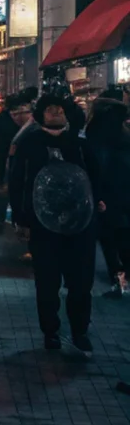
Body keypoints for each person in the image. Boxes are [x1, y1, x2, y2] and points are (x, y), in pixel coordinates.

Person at [7, 93, 102, 355]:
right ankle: (51, 331)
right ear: (40, 114)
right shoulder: (29, 143)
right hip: (42, 225)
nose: (56, 112)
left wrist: (99, 202)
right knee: (47, 283)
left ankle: (80, 331)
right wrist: (20, 216)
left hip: (80, 225)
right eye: (50, 109)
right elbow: (17, 181)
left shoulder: (80, 145)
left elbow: (95, 176)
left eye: (60, 109)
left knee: (81, 283)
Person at [85, 91, 130, 298]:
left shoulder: (96, 137)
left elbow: (98, 168)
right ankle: (123, 281)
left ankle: (118, 281)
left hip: (107, 198)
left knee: (110, 241)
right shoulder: (124, 135)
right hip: (122, 198)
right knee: (122, 240)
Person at [0, 92, 32, 226]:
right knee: (8, 186)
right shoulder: (5, 120)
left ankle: (8, 215)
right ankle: (4, 214)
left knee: (10, 187)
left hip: (12, 159)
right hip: (8, 159)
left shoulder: (3, 119)